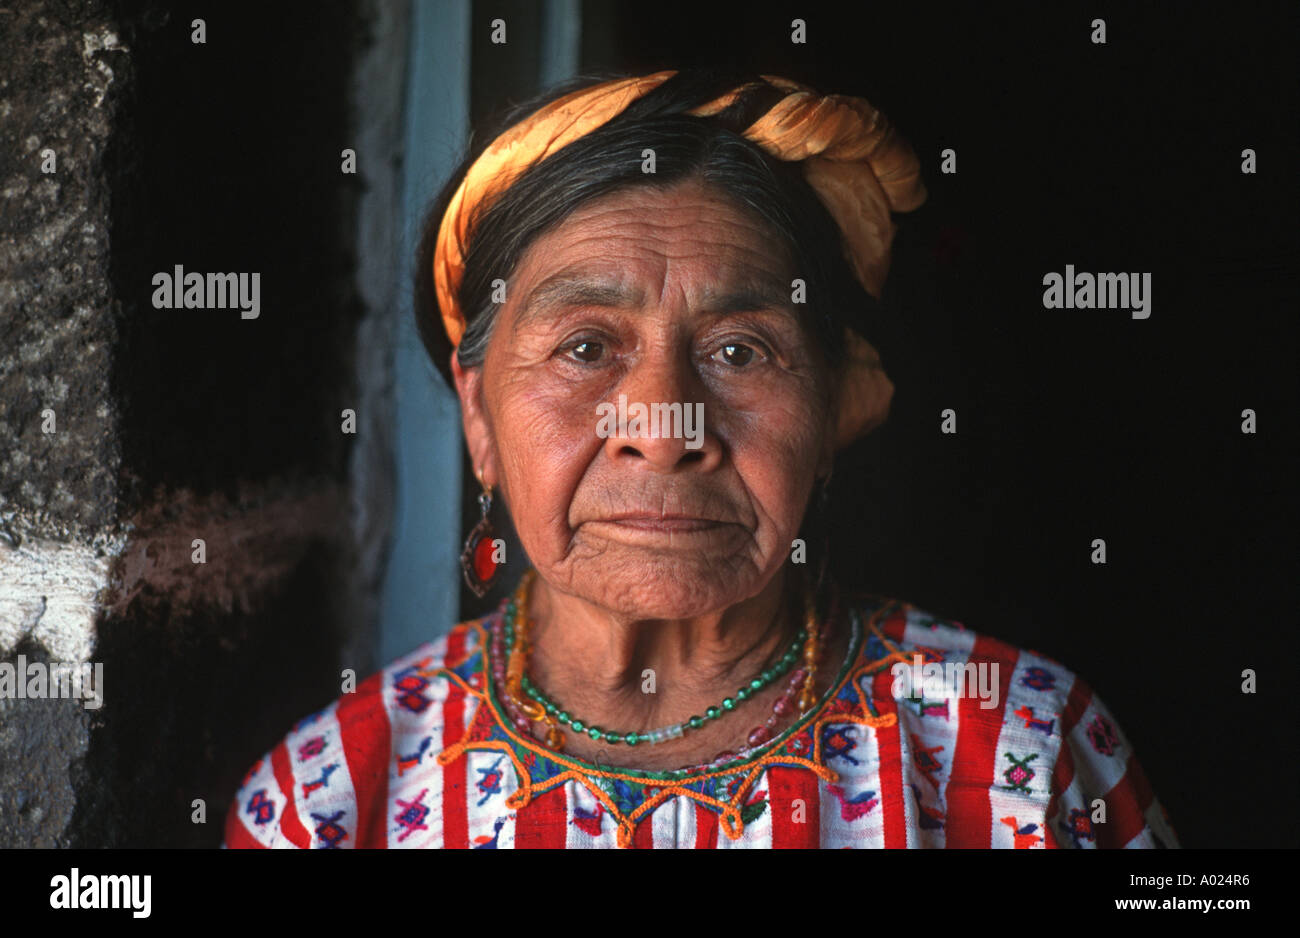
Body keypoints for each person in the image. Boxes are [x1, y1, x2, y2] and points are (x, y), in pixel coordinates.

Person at [222, 68, 1178, 849]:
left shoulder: (1028, 746)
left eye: (740, 351)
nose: (668, 426)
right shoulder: (328, 803)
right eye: (586, 348)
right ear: (480, 419)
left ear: (834, 408)